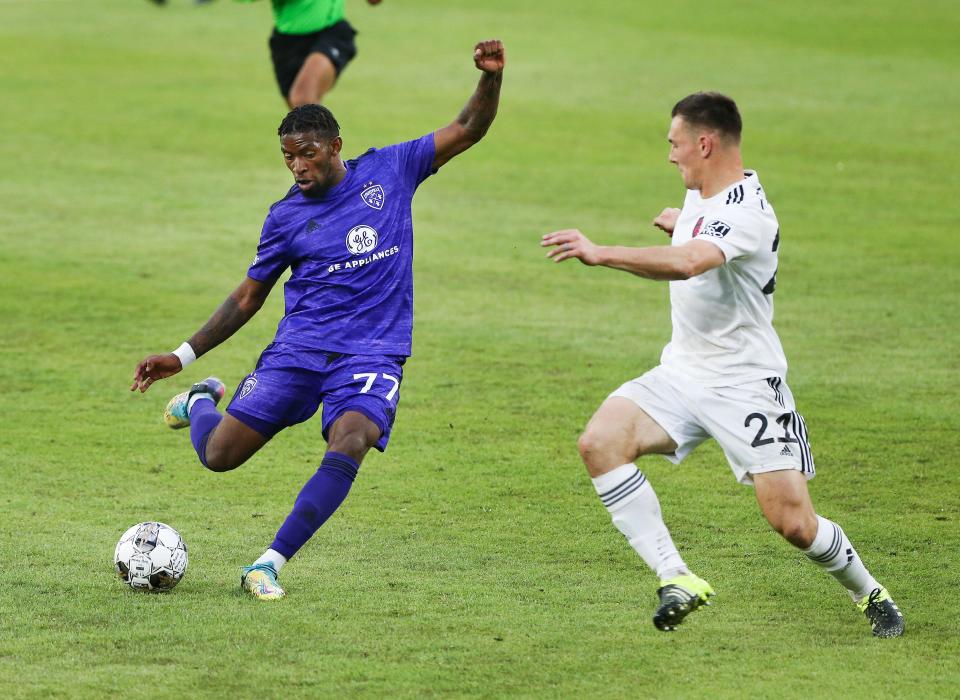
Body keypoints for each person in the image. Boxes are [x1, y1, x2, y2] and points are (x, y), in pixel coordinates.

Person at [131, 40, 505, 600]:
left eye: (308, 153)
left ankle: (269, 563)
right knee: (219, 456)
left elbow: (468, 127)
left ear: (335, 146)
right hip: (299, 350)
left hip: (372, 353)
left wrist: (491, 78)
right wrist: (182, 356)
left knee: (352, 439)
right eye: (288, 157)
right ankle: (200, 400)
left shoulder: (392, 170)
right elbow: (246, 298)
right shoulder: (285, 218)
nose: (298, 166)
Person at [541, 92, 904, 637]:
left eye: (675, 143)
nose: (670, 155)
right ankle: (675, 576)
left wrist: (602, 252)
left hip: (746, 385)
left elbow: (690, 263)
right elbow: (694, 241)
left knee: (794, 524)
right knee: (600, 441)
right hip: (683, 373)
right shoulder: (703, 197)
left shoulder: (744, 212)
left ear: (704, 143)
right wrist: (682, 224)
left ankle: (869, 592)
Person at [148, 0, 382, 107]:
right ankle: (323, 188)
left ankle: (338, 189)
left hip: (331, 33)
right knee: (303, 127)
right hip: (286, 45)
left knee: (303, 98)